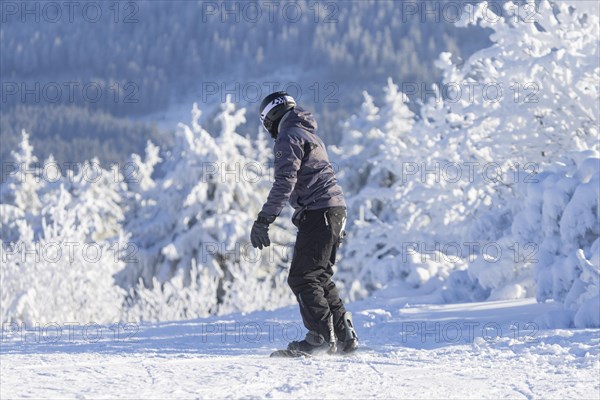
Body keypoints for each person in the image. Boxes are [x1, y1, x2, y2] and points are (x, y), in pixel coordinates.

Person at [250, 91, 358, 354]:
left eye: (265, 121)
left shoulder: (288, 137)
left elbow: (285, 181)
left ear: (272, 115)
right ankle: (344, 335)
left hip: (318, 212)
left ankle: (320, 338)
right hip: (334, 210)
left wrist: (264, 219)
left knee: (302, 276)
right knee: (319, 275)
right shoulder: (309, 134)